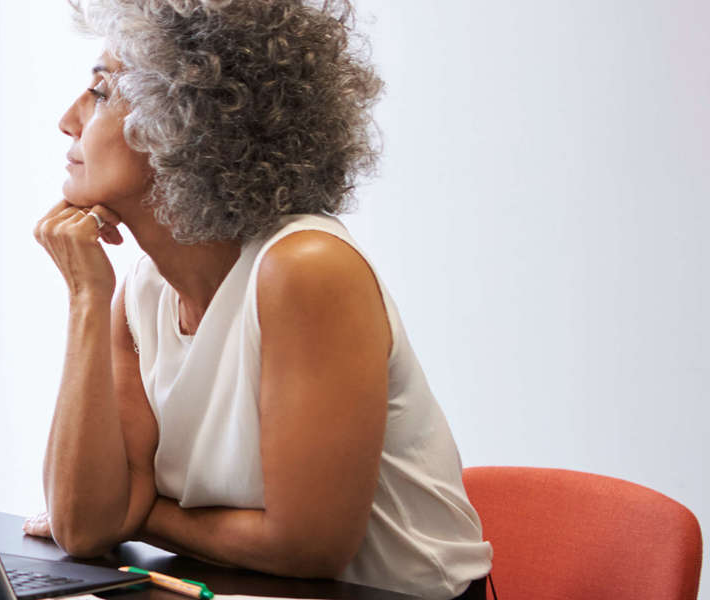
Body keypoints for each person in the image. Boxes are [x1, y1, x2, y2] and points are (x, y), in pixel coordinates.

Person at [24, 1, 491, 597]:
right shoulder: (142, 291)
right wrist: (87, 295)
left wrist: (138, 513)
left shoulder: (307, 270)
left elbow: (307, 549)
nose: (69, 119)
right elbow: (83, 526)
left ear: (187, 120)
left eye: (101, 92)